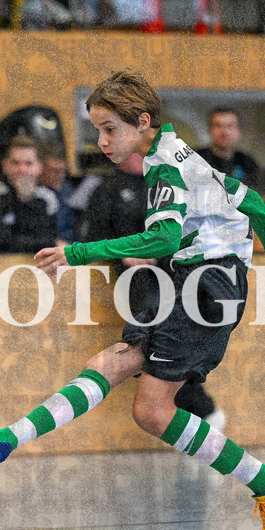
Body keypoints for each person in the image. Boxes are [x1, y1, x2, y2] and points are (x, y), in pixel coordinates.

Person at [0, 69, 265, 530]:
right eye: (98, 129)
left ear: (142, 122)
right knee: (111, 363)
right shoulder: (179, 153)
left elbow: (165, 238)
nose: (102, 140)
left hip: (208, 288)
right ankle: (4, 440)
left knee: (152, 411)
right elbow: (250, 200)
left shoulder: (165, 166)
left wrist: (78, 252)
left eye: (110, 129)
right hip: (191, 281)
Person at [83, 167, 228, 429]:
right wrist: (123, 252)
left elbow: (199, 229)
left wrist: (162, 252)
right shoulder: (108, 187)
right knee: (153, 342)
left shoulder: (176, 181)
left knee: (171, 342)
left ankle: (199, 413)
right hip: (138, 278)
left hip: (180, 270)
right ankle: (201, 411)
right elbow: (94, 235)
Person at [0, 135, 59, 253]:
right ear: (5, 166)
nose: (22, 170)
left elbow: (49, 237)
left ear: (39, 167)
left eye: (28, 164)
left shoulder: (47, 197)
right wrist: (21, 199)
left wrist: (27, 200)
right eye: (16, 163)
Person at [195, 107, 260, 187]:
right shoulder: (195, 159)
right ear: (209, 130)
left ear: (238, 131)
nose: (224, 132)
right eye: (218, 126)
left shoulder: (247, 163)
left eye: (230, 126)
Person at [38, 140, 79, 243]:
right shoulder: (34, 194)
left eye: (63, 171)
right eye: (55, 171)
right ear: (41, 168)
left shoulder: (70, 191)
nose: (60, 176)